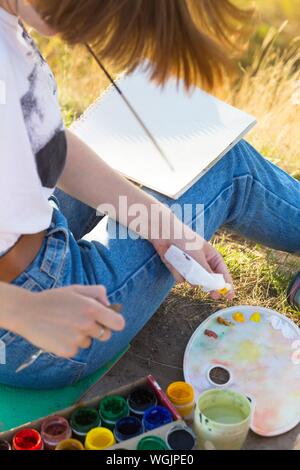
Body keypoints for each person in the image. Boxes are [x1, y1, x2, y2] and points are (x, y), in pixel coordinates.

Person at [0, 0, 299, 389]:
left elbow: (45, 142)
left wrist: (160, 223)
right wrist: (25, 312)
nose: (80, 30)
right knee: (228, 168)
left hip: (32, 253)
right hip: (29, 335)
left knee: (147, 140)